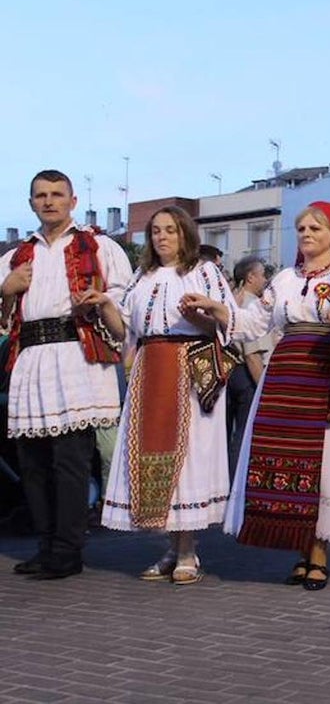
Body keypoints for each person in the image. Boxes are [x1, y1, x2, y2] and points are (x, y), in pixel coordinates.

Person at [213, 201, 330, 591]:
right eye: (302, 228)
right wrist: (216, 311)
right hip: (286, 375)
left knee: (323, 462)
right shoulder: (285, 278)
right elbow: (253, 321)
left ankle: (319, 553)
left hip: (327, 374)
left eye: (315, 228)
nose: (306, 234)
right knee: (289, 461)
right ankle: (300, 548)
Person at [1, 170, 132, 580]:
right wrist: (6, 290)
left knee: (70, 460)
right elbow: (4, 322)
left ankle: (68, 550)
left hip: (77, 356)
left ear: (73, 201)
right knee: (33, 463)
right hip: (31, 360)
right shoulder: (16, 257)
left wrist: (102, 301)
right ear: (31, 203)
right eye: (41, 195)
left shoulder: (101, 247)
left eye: (57, 194)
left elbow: (123, 310)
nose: (49, 201)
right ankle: (45, 545)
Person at [100, 206, 240, 584]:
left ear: (185, 235)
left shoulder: (204, 271)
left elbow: (227, 321)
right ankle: (171, 548)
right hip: (150, 368)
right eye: (156, 231)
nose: (162, 237)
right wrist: (103, 305)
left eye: (170, 230)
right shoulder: (141, 277)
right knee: (152, 456)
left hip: (189, 369)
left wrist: (203, 314)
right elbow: (123, 330)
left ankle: (188, 550)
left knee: (188, 457)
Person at [225, 255, 274, 481]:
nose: (265, 280)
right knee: (243, 435)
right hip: (246, 376)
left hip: (232, 373)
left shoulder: (234, 301)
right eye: (262, 275)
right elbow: (253, 354)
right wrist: (264, 390)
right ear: (251, 277)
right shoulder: (252, 305)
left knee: (232, 433)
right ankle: (237, 485)